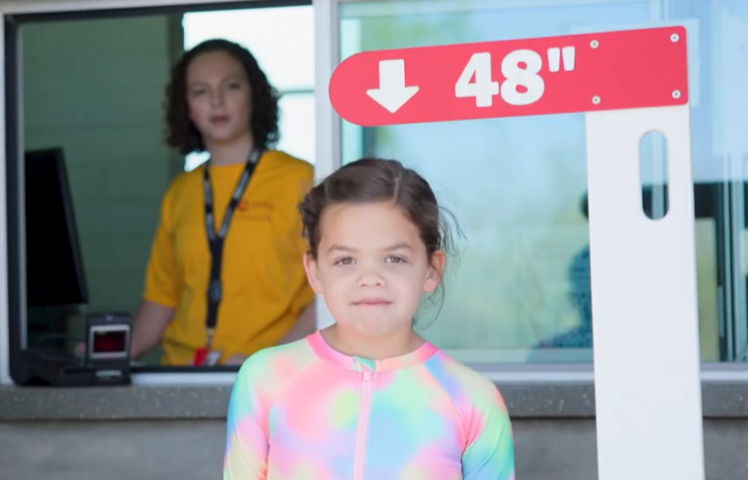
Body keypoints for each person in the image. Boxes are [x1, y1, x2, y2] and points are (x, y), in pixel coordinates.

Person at [222, 158, 516, 480]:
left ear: (431, 269)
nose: (370, 278)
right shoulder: (265, 380)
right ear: (315, 272)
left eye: (394, 258)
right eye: (346, 260)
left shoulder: (473, 401)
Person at [132, 39, 316, 366]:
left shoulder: (302, 180)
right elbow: (162, 299)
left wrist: (269, 365)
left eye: (231, 86)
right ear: (187, 106)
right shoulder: (180, 192)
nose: (216, 101)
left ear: (254, 95)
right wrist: (104, 356)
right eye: (200, 91)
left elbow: (331, 297)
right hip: (181, 373)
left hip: (266, 375)